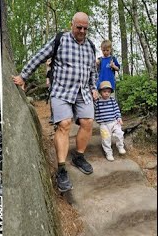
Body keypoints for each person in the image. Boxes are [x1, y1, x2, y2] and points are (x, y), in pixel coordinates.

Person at [14, 12, 100, 193]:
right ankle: (61, 169)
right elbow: (39, 57)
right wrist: (23, 76)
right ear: (72, 25)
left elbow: (93, 71)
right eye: (79, 27)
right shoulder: (60, 40)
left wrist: (93, 87)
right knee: (64, 124)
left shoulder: (90, 46)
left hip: (82, 92)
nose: (82, 31)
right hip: (61, 91)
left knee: (88, 122)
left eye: (85, 28)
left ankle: (79, 156)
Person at [95, 80, 125, 161]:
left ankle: (120, 147)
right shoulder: (97, 102)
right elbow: (95, 110)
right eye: (104, 91)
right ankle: (108, 153)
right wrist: (99, 121)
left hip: (114, 122)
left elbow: (116, 109)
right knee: (106, 139)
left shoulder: (112, 100)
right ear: (100, 92)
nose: (107, 93)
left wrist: (119, 118)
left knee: (119, 134)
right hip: (104, 124)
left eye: (108, 91)